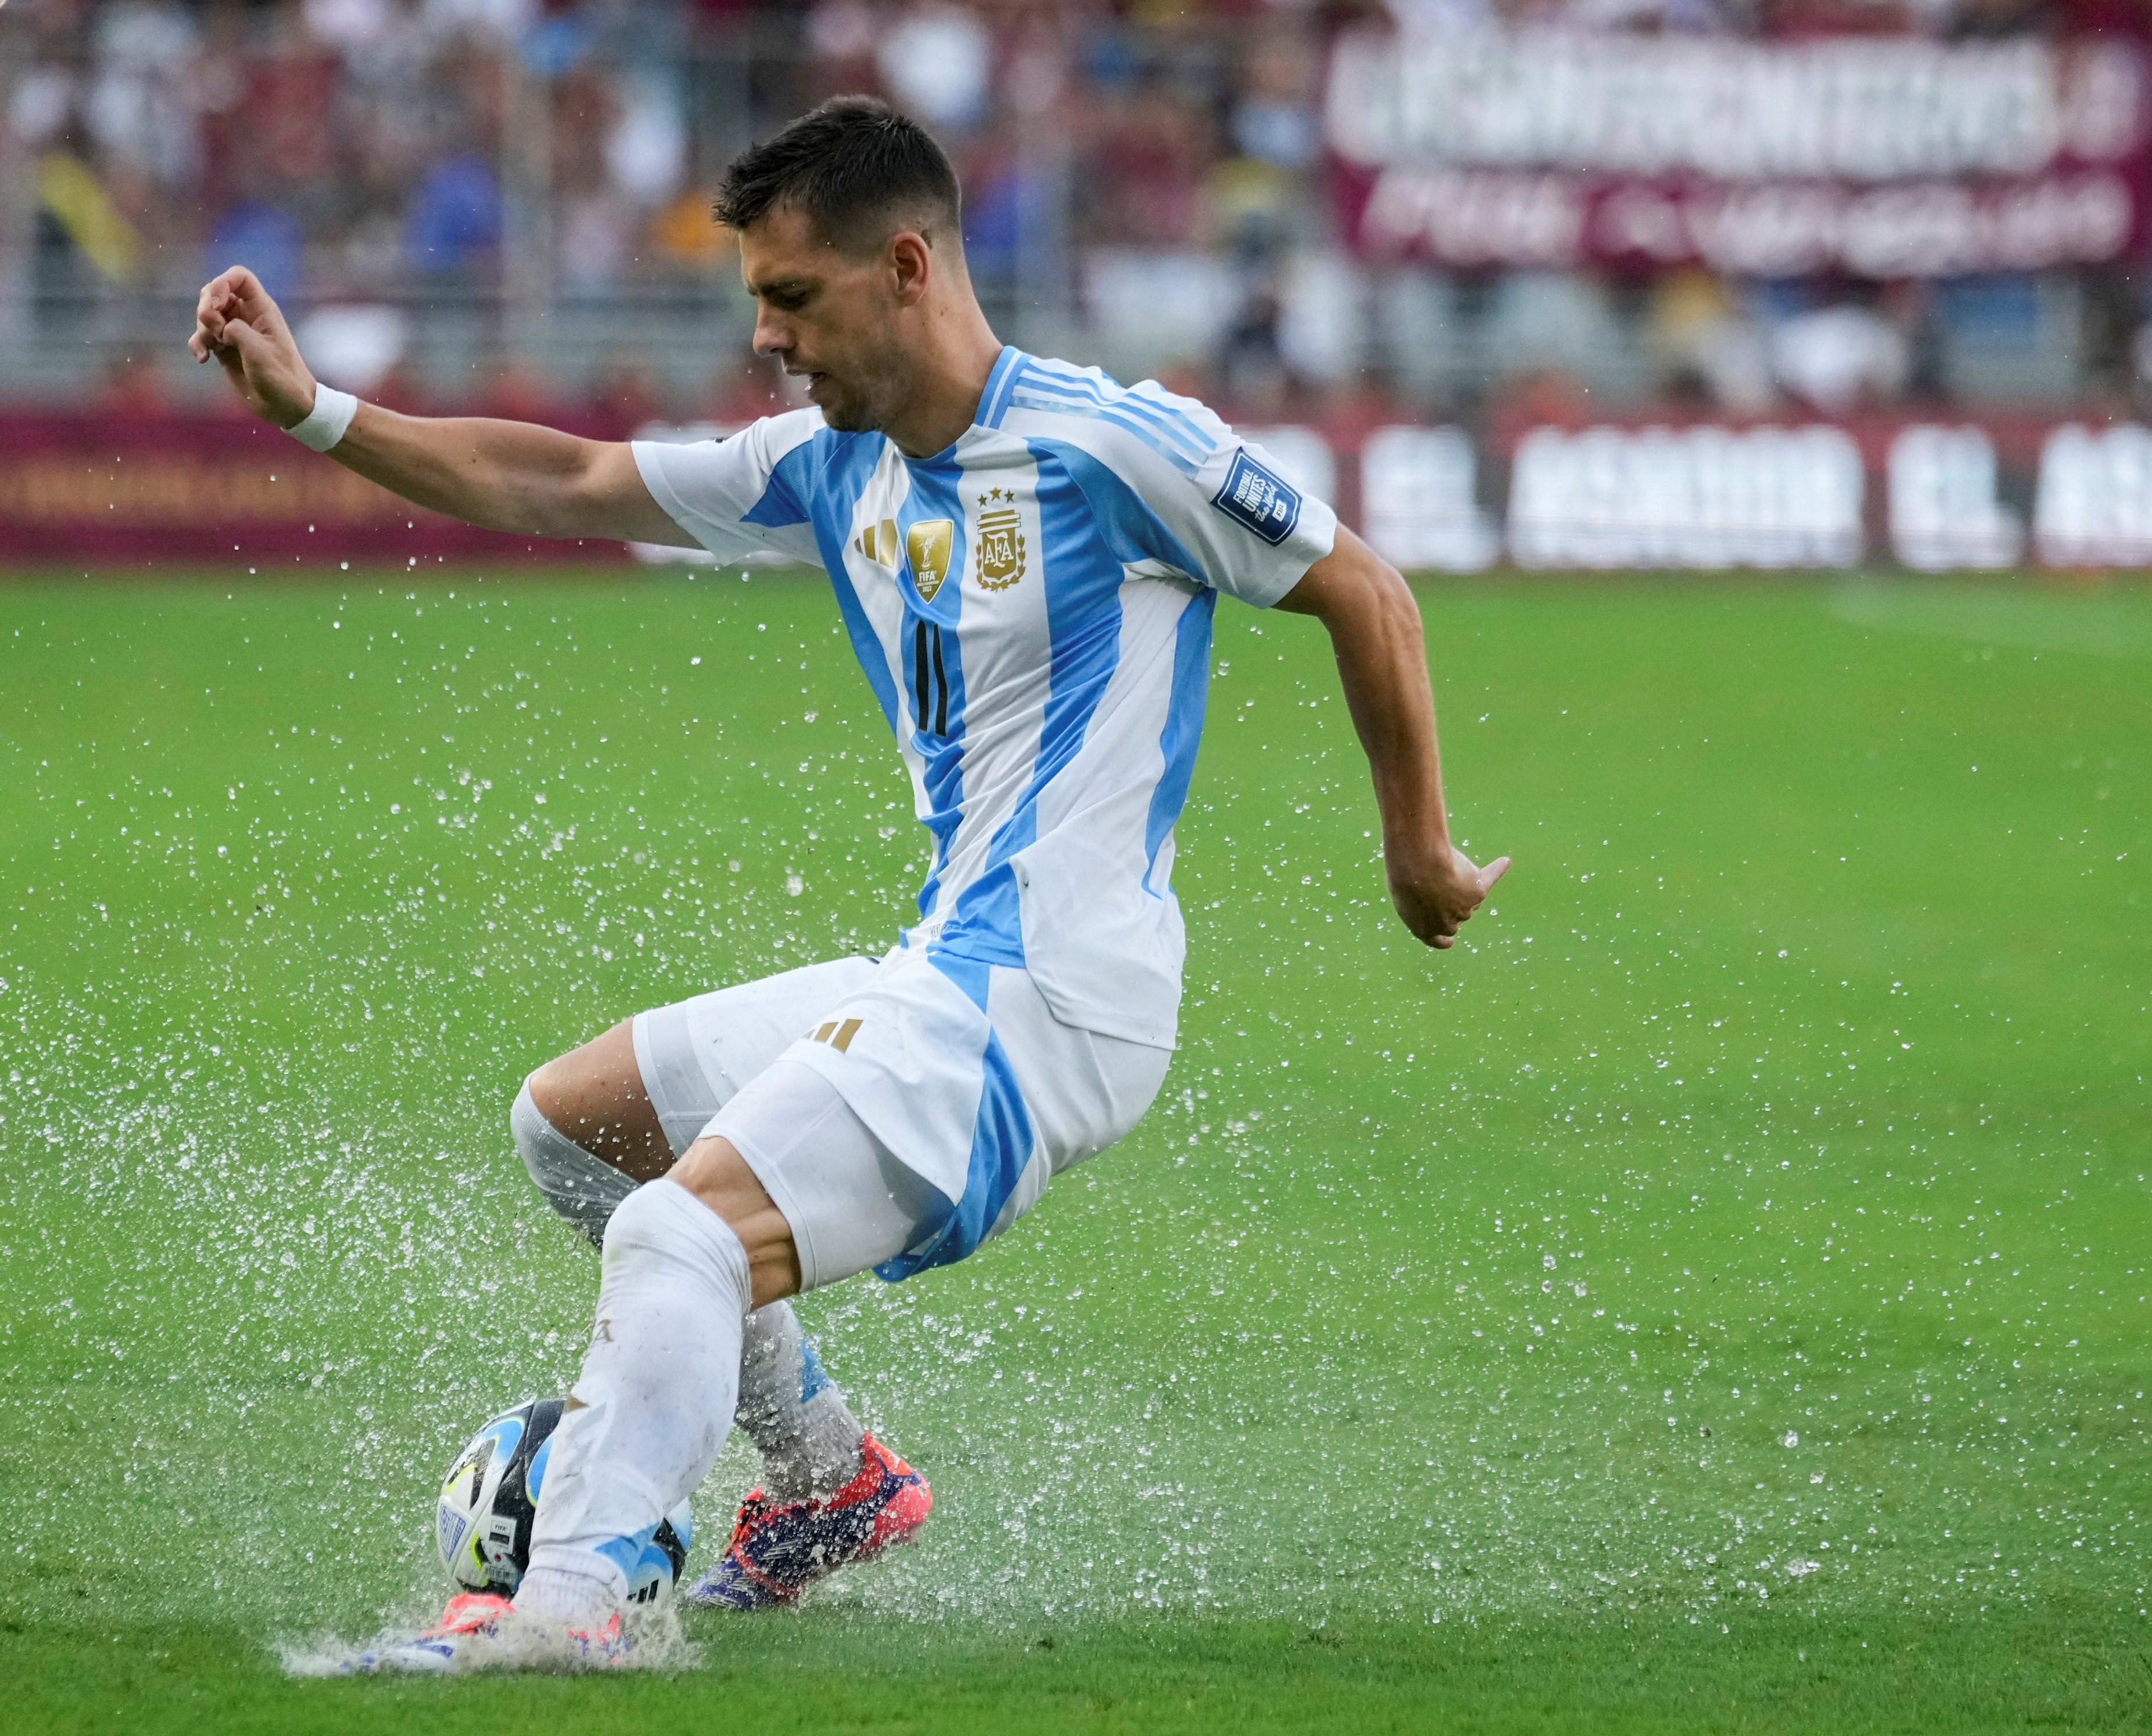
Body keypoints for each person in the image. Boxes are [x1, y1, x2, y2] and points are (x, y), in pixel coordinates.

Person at [190, 96, 1507, 1673]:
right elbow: (563, 479)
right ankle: (828, 1479)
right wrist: (317, 411)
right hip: (948, 963)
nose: (766, 334)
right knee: (579, 1131)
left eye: (791, 295)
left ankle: (572, 1613)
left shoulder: (1105, 443)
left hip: (1051, 995)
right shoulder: (830, 470)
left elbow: (1363, 587)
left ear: (903, 266)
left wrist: (1414, 849)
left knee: (680, 1240)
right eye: (756, 299)